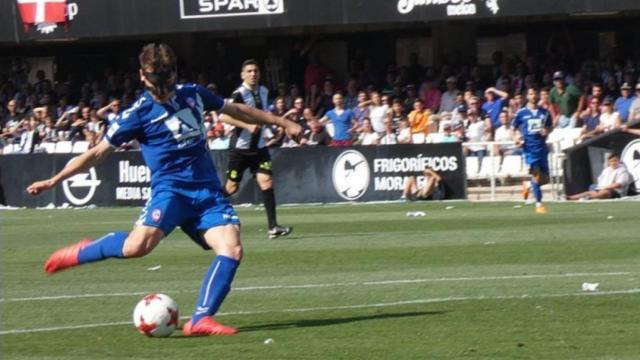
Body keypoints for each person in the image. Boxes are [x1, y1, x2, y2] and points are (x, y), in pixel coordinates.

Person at [26, 43, 302, 337]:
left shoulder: (193, 93)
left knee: (232, 249)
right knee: (136, 248)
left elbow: (236, 109)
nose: (161, 88)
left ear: (174, 74)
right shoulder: (138, 113)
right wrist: (54, 181)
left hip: (207, 194)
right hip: (170, 193)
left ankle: (200, 319)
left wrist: (282, 121)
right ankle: (84, 250)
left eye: (166, 80)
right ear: (143, 77)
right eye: (155, 81)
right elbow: (97, 153)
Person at [221, 59, 293, 239]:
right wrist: (246, 125)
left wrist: (271, 126)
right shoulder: (239, 93)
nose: (253, 74)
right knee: (231, 188)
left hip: (259, 148)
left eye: (256, 71)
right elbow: (224, 117)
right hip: (240, 149)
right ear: (243, 75)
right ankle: (206, 214)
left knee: (267, 182)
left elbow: (262, 115)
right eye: (249, 71)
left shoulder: (263, 91)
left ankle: (273, 227)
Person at [511, 87, 553, 214]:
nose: (533, 95)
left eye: (535, 93)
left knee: (545, 179)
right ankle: (539, 204)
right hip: (529, 149)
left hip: (542, 148)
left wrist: (547, 131)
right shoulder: (521, 113)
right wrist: (516, 139)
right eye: (531, 93)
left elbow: (550, 127)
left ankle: (528, 185)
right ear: (527, 96)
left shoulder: (544, 112)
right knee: (536, 174)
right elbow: (513, 128)